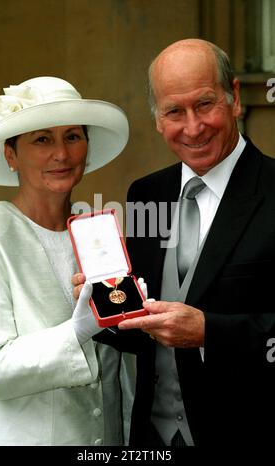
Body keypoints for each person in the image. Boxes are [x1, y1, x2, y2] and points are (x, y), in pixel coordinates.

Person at [74, 38, 275, 446]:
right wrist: (99, 307)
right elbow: (144, 328)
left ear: (234, 97)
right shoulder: (147, 194)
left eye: (205, 104)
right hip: (152, 439)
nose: (193, 127)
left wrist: (208, 332)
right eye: (174, 112)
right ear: (157, 120)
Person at [0, 76, 135, 446]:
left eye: (73, 136)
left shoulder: (99, 228)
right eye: (42, 139)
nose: (61, 154)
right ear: (11, 154)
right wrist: (76, 332)